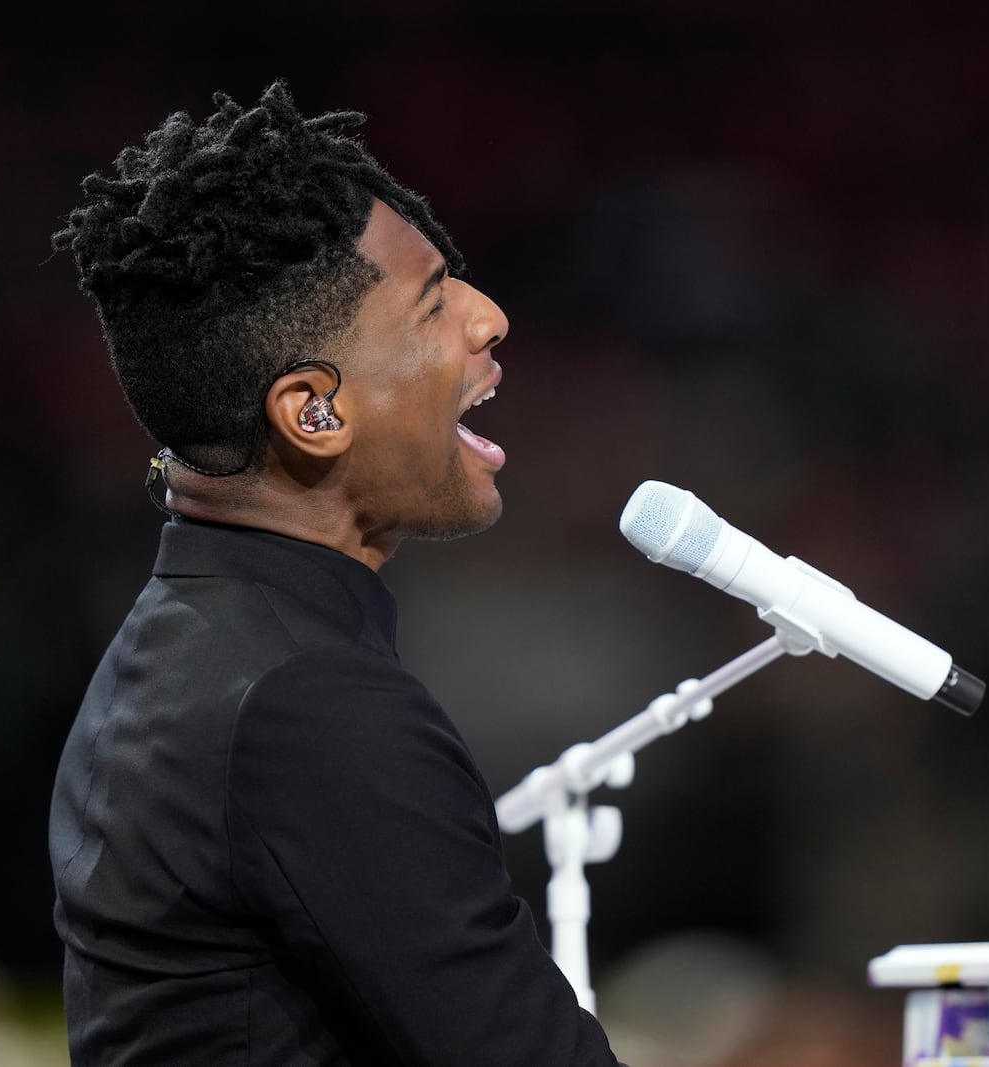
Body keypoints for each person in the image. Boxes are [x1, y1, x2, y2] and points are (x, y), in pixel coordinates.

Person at [48, 81, 623, 1066]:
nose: (488, 320)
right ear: (314, 411)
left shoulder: (193, 646)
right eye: (432, 304)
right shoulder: (307, 706)